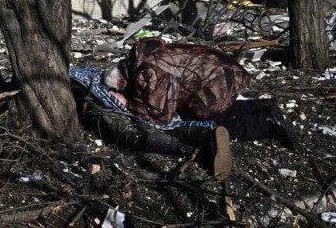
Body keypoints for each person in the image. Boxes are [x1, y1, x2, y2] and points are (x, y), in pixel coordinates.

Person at [100, 37, 296, 180]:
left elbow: (161, 116)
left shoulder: (146, 74)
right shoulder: (143, 55)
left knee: (212, 118)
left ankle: (266, 123)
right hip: (223, 70)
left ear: (123, 82)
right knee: (205, 107)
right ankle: (259, 106)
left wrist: (129, 104)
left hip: (219, 82)